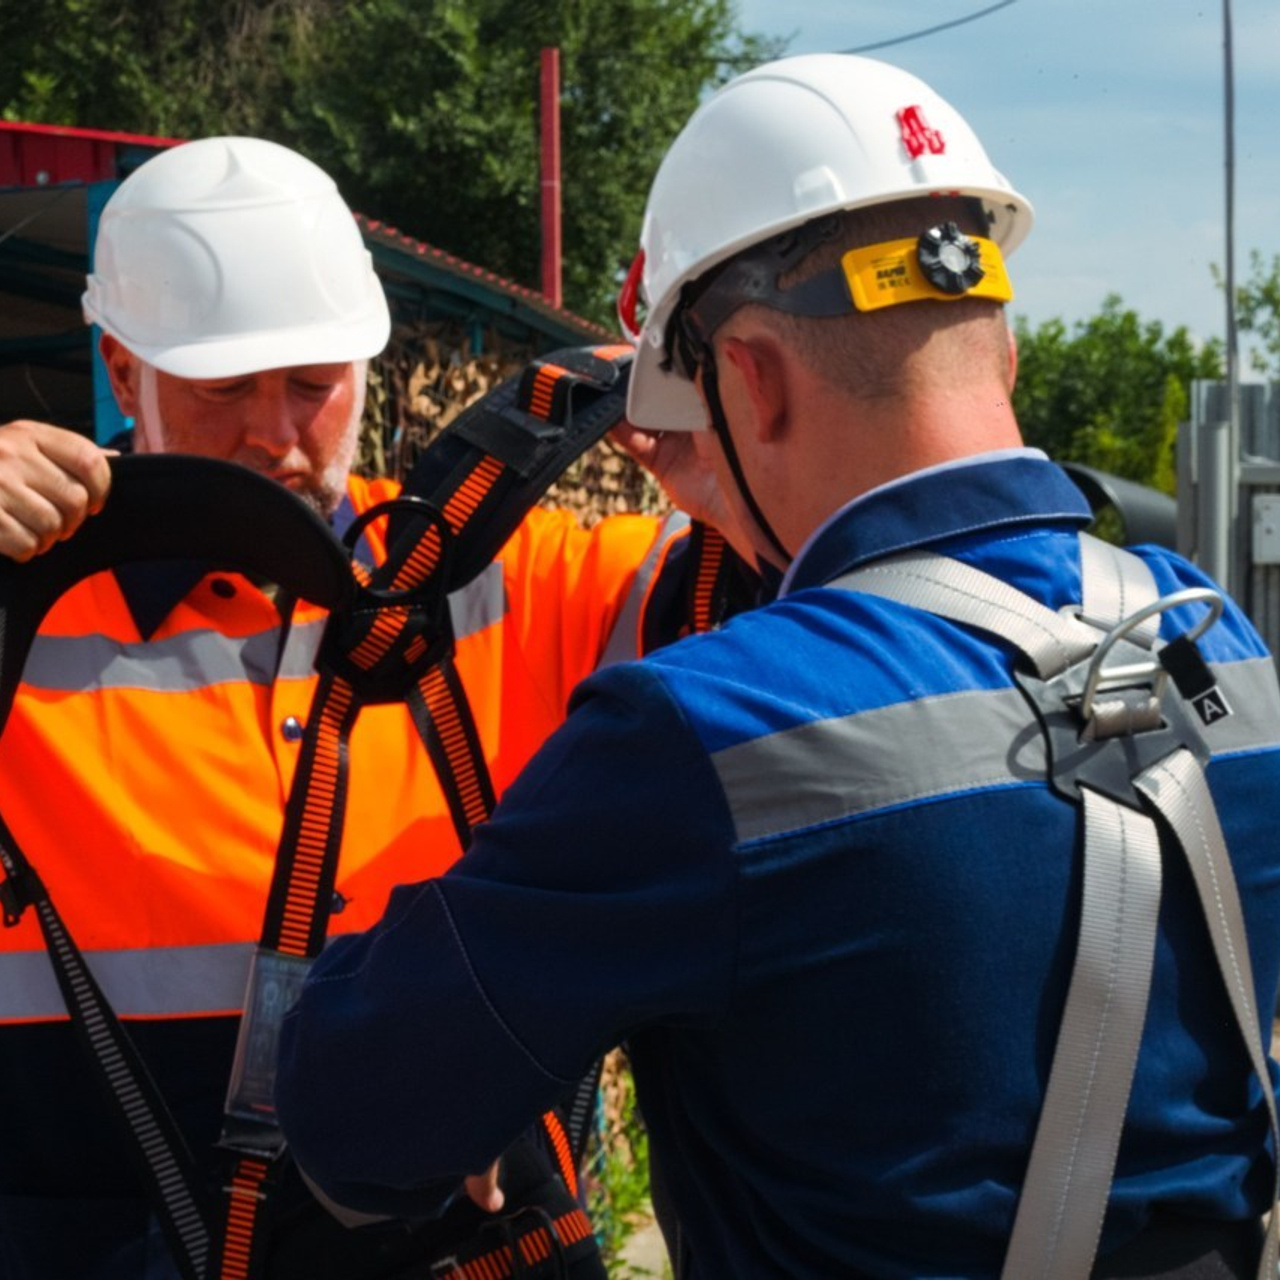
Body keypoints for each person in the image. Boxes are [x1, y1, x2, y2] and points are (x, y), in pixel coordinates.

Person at [275, 53, 1280, 1279]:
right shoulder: (1217, 644)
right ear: (1001, 349)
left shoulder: (705, 732)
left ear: (743, 377)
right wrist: (743, 500)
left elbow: (356, 1115)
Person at [0, 135, 721, 1279]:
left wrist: (717, 451)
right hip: (109, 1222)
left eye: (314, 384)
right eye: (223, 386)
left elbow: (767, 591)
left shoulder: (475, 571)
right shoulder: (26, 605)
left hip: (450, 1233)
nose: (275, 434)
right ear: (121, 368)